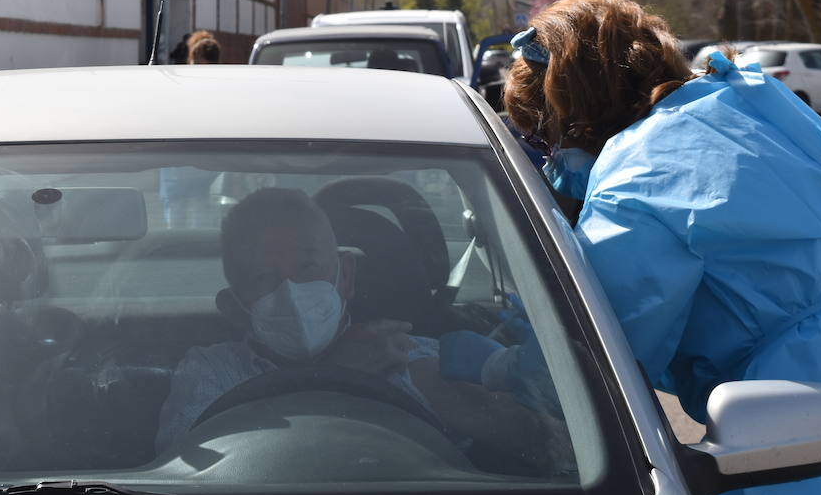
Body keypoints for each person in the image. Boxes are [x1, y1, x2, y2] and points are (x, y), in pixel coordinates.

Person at [503, 0, 821, 495]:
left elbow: (597, 352)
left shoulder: (642, 172)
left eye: (541, 137)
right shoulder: (749, 107)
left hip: (811, 420)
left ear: (570, 118)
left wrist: (491, 365)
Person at [154, 188, 566, 471]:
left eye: (307, 268)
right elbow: (186, 472)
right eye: (263, 278)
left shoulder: (413, 357)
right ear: (234, 307)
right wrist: (334, 374)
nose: (290, 291)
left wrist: (508, 396)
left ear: (346, 276)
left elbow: (549, 451)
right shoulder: (211, 374)